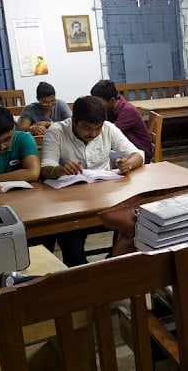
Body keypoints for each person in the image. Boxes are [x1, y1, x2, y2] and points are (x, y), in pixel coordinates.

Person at [39, 96, 145, 266]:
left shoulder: (109, 129)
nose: (93, 133)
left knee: (135, 223)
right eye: (87, 128)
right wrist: (58, 170)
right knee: (70, 241)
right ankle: (82, 275)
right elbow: (45, 168)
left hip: (105, 200)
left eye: (98, 128)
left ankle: (112, 264)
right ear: (74, 121)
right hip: (71, 203)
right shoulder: (57, 131)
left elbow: (137, 154)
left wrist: (128, 164)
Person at [90, 79, 153, 163]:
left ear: (112, 100)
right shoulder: (109, 109)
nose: (96, 104)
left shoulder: (127, 111)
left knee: (99, 157)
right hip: (126, 150)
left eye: (99, 102)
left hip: (139, 154)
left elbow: (108, 133)